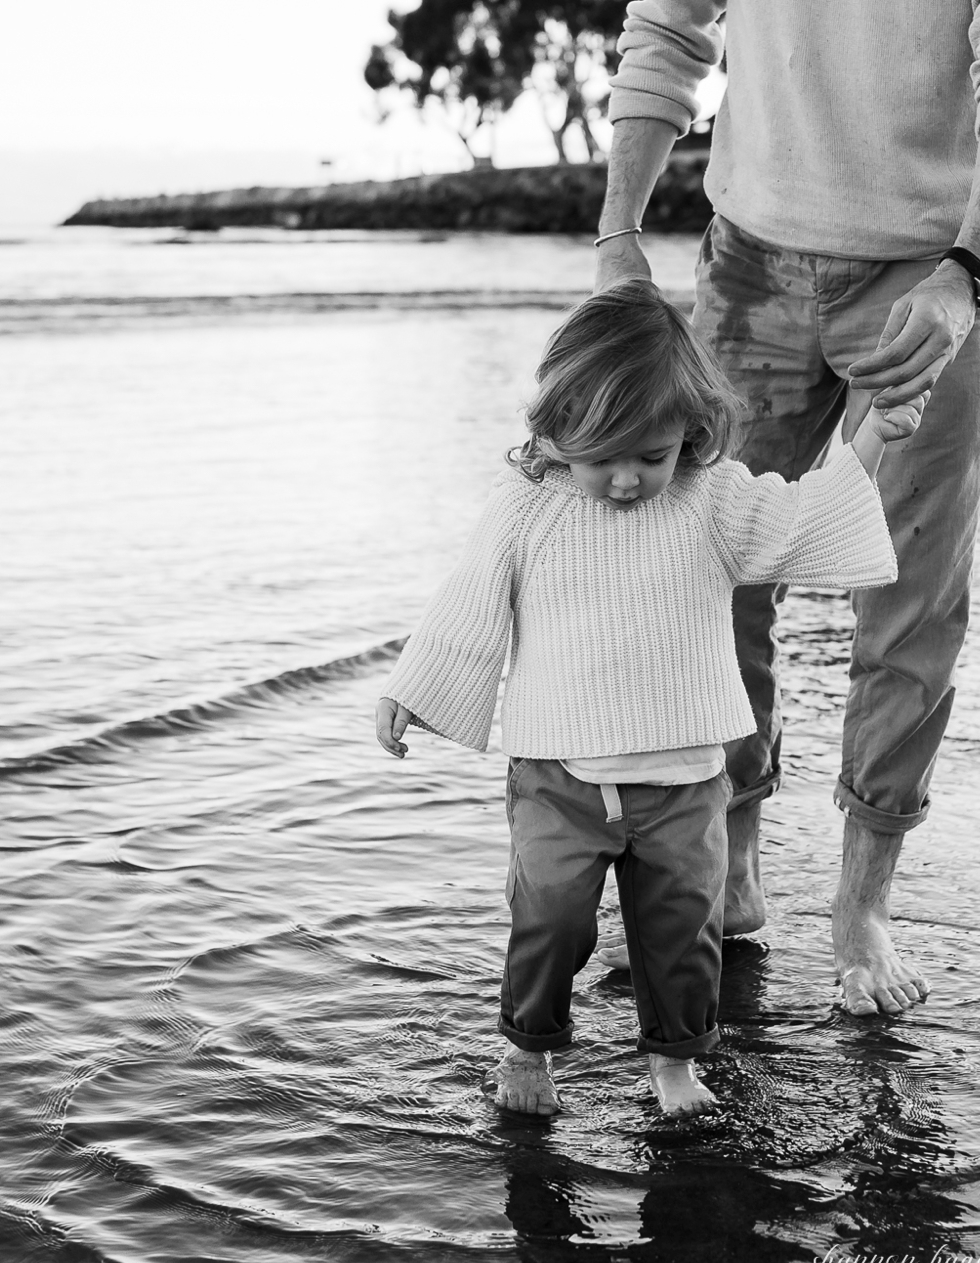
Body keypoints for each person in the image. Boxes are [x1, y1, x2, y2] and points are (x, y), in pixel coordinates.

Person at [589, 1, 980, 1016]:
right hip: (748, 257)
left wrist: (968, 271)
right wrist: (617, 233)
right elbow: (665, 29)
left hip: (930, 267)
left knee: (905, 591)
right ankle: (727, 871)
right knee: (707, 564)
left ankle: (860, 909)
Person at [374, 279, 916, 1116]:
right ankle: (527, 1055)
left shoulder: (711, 499)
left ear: (690, 437)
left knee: (683, 934)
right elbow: (469, 598)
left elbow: (807, 517)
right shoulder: (526, 508)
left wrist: (873, 430)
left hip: (688, 780)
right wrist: (414, 686)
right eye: (601, 460)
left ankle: (673, 1067)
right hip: (561, 777)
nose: (627, 480)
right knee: (548, 924)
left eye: (651, 457)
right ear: (555, 433)